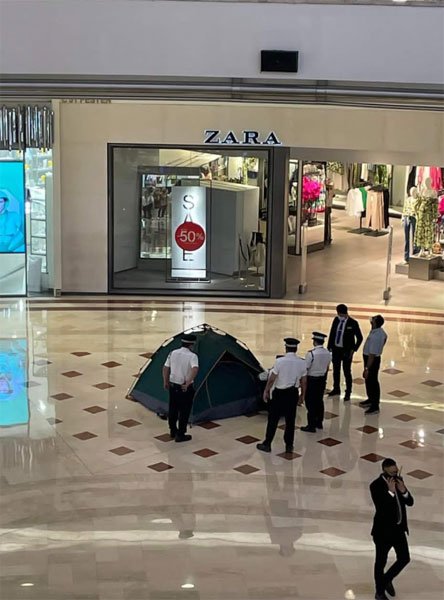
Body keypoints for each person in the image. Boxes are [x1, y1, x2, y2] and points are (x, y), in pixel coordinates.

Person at [370, 458, 414, 600]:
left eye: (396, 472)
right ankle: (379, 592)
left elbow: (410, 502)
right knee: (380, 562)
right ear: (385, 470)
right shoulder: (375, 486)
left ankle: (385, 581)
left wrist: (404, 491)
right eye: (392, 473)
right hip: (383, 532)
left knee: (404, 558)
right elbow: (382, 508)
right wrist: (390, 492)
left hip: (399, 530)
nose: (395, 475)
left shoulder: (398, 481)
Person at [256, 338, 307, 454]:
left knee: (273, 419)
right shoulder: (302, 362)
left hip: (279, 393)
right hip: (293, 393)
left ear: (286, 348)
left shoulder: (280, 362)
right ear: (296, 349)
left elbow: (271, 379)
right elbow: (304, 382)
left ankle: (267, 443)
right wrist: (302, 395)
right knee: (290, 420)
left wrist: (266, 391)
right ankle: (289, 445)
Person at [163, 333, 199, 442]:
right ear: (192, 345)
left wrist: (165, 381)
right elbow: (195, 368)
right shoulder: (192, 356)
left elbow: (165, 367)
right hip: (184, 387)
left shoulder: (173, 353)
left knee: (173, 408)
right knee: (184, 410)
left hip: (173, 385)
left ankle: (173, 430)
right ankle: (181, 434)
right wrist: (188, 383)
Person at [327, 303, 363, 401]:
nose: (339, 316)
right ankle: (336, 388)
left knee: (347, 372)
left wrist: (354, 350)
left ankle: (348, 392)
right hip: (336, 350)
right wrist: (329, 347)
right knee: (336, 370)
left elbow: (360, 338)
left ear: (344, 313)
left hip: (347, 351)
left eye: (339, 314)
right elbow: (332, 333)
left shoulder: (353, 323)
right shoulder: (336, 320)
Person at [301, 332, 332, 433]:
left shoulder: (311, 354)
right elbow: (327, 367)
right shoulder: (328, 353)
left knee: (310, 402)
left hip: (312, 380)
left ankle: (311, 425)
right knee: (319, 401)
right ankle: (319, 422)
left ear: (314, 341)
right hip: (322, 379)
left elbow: (305, 368)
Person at [359, 314, 388, 415]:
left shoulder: (377, 336)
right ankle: (370, 399)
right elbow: (385, 338)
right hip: (371, 358)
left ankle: (375, 405)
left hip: (372, 360)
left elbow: (372, 354)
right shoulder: (379, 331)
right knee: (369, 381)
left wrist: (367, 368)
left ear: (375, 323)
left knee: (372, 381)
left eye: (373, 320)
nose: (371, 320)